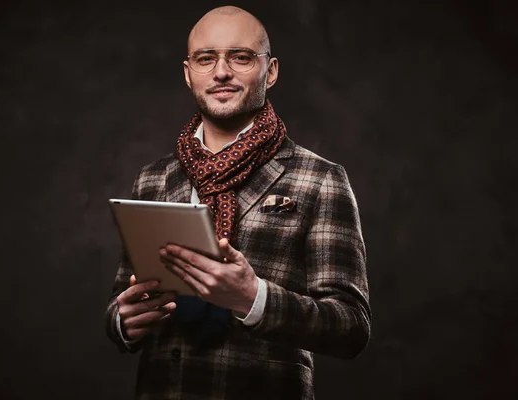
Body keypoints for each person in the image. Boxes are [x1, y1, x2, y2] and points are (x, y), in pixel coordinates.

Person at [105, 5, 371, 400]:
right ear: (188, 72)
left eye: (240, 57)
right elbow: (122, 297)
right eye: (206, 58)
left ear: (272, 70)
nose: (221, 72)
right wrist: (122, 321)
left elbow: (351, 327)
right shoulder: (153, 179)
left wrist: (254, 298)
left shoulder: (321, 179)